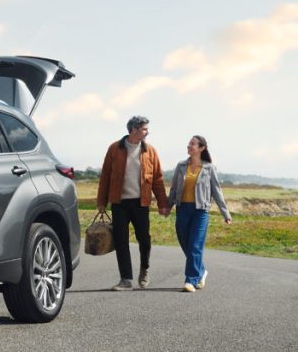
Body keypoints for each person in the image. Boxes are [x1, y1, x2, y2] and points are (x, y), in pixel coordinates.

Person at [97, 116, 169, 291]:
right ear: (134, 129)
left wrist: (162, 203)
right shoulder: (115, 149)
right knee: (121, 241)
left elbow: (158, 179)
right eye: (145, 129)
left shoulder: (150, 151)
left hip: (141, 203)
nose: (147, 132)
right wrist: (102, 201)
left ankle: (144, 269)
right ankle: (126, 279)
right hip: (119, 203)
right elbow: (105, 176)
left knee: (144, 239)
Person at [167, 135, 231, 293]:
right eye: (189, 143)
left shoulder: (209, 168)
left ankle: (191, 280)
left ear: (201, 148)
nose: (189, 146)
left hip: (200, 211)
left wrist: (226, 213)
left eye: (192, 144)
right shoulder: (181, 165)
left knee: (195, 245)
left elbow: (217, 191)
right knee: (185, 243)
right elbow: (174, 188)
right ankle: (201, 271)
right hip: (182, 209)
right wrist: (168, 207)